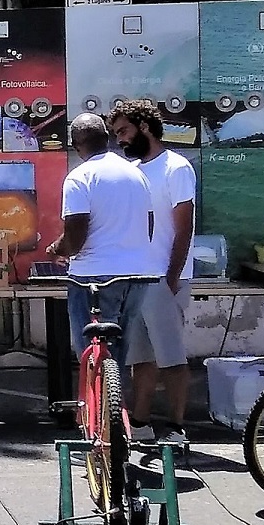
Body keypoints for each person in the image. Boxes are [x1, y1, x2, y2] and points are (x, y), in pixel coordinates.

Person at [42, 111, 161, 367]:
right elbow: (148, 227)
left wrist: (56, 249)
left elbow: (75, 238)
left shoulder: (79, 178)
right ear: (107, 138)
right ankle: (117, 406)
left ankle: (94, 405)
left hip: (94, 279)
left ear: (75, 146)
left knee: (92, 358)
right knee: (118, 357)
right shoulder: (136, 174)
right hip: (137, 276)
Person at [112, 100, 197, 440]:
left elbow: (184, 227)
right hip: (138, 278)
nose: (119, 139)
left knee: (172, 357)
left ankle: (177, 427)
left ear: (144, 127)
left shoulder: (176, 168)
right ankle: (142, 423)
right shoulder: (133, 171)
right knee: (141, 358)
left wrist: (172, 278)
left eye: (124, 131)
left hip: (164, 278)